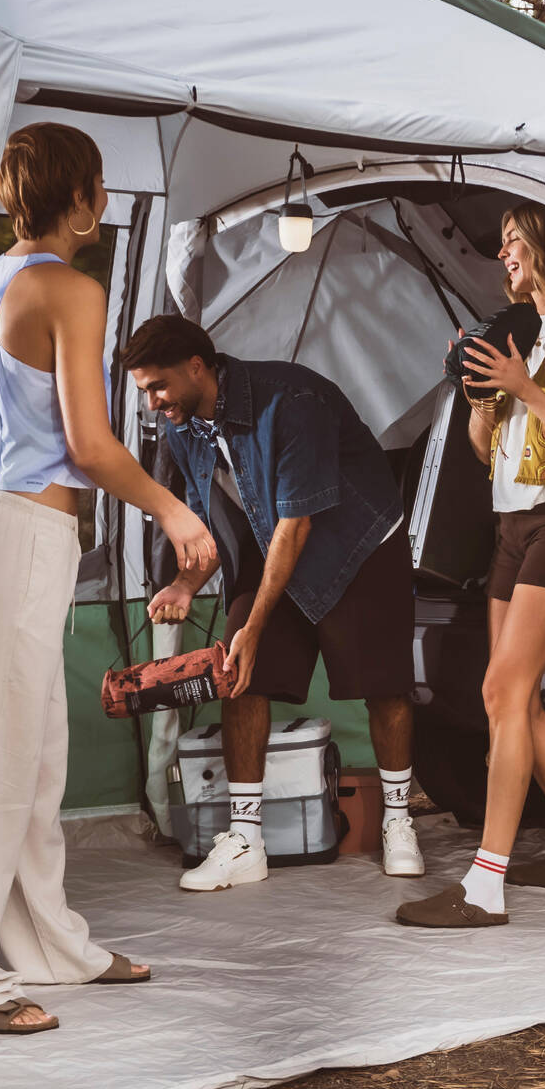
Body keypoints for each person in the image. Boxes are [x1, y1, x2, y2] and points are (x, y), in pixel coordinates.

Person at [0, 122, 219, 1038]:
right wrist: (174, 512)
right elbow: (90, 447)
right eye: (97, 185)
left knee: (35, 751)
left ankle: (51, 942)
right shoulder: (70, 288)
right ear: (84, 195)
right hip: (16, 528)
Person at [122, 313, 425, 889]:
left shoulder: (292, 399)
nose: (154, 402)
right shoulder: (182, 425)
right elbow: (208, 527)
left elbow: (296, 522)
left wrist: (255, 625)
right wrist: (186, 584)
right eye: (145, 392)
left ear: (196, 367)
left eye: (158, 386)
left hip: (355, 548)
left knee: (384, 688)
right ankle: (245, 840)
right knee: (238, 676)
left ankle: (399, 821)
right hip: (275, 549)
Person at [396, 203, 545, 929]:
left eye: (513, 242)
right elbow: (485, 452)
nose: (503, 255)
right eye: (500, 246)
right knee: (516, 699)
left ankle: (484, 886)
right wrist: (482, 404)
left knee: (503, 687)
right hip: (515, 525)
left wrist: (525, 388)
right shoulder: (528, 336)